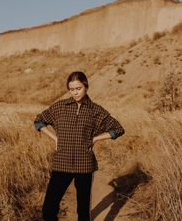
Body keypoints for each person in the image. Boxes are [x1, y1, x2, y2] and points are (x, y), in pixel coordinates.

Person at [34, 71, 125, 221]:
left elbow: (118, 129)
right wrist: (55, 138)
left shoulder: (95, 111)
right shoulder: (60, 107)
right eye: (72, 89)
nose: (75, 92)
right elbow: (39, 121)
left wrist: (95, 139)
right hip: (61, 163)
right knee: (49, 209)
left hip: (84, 166)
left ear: (86, 87)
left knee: (83, 211)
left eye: (78, 88)